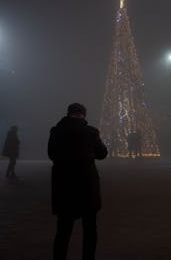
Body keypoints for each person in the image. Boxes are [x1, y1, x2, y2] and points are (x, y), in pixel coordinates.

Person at [48, 103, 108, 260]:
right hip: (87, 186)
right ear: (83, 115)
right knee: (90, 229)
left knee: (63, 230)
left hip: (64, 186)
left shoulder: (56, 131)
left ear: (68, 114)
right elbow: (102, 154)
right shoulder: (91, 132)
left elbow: (51, 154)